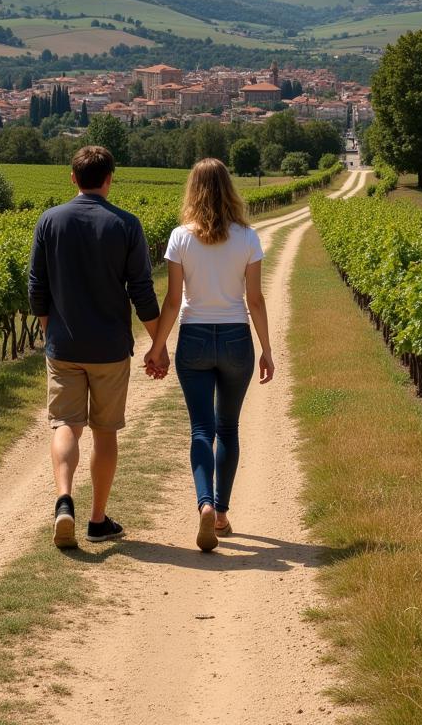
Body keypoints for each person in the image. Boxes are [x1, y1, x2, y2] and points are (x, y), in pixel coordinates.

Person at [29, 145, 161, 550]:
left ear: (73, 178)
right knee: (105, 432)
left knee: (66, 424)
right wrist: (158, 343)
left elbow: (37, 287)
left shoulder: (49, 221)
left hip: (64, 345)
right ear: (109, 179)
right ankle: (97, 520)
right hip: (109, 349)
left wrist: (51, 331)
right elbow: (141, 289)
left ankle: (64, 500)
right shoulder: (126, 224)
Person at [144, 158, 274, 552]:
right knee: (229, 428)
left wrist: (157, 347)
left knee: (201, 428)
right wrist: (266, 349)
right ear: (229, 189)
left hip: (195, 337)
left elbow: (170, 301)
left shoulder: (180, 238)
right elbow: (255, 300)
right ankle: (220, 513)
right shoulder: (248, 238)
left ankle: (202, 502)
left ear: (192, 190)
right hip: (236, 338)